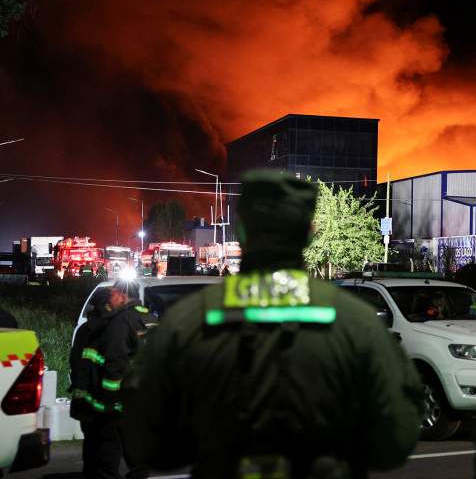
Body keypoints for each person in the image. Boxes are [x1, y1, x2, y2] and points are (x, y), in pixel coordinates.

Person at [122, 170, 422, 478]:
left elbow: (144, 441)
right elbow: (397, 440)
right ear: (308, 233)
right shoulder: (356, 322)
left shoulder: (187, 321)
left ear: (240, 231)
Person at [70, 285, 154, 479]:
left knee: (103, 453)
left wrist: (107, 401)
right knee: (128, 453)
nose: (119, 298)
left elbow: (110, 365)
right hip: (131, 401)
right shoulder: (148, 319)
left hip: (108, 403)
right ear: (107, 304)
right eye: (115, 295)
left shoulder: (110, 325)